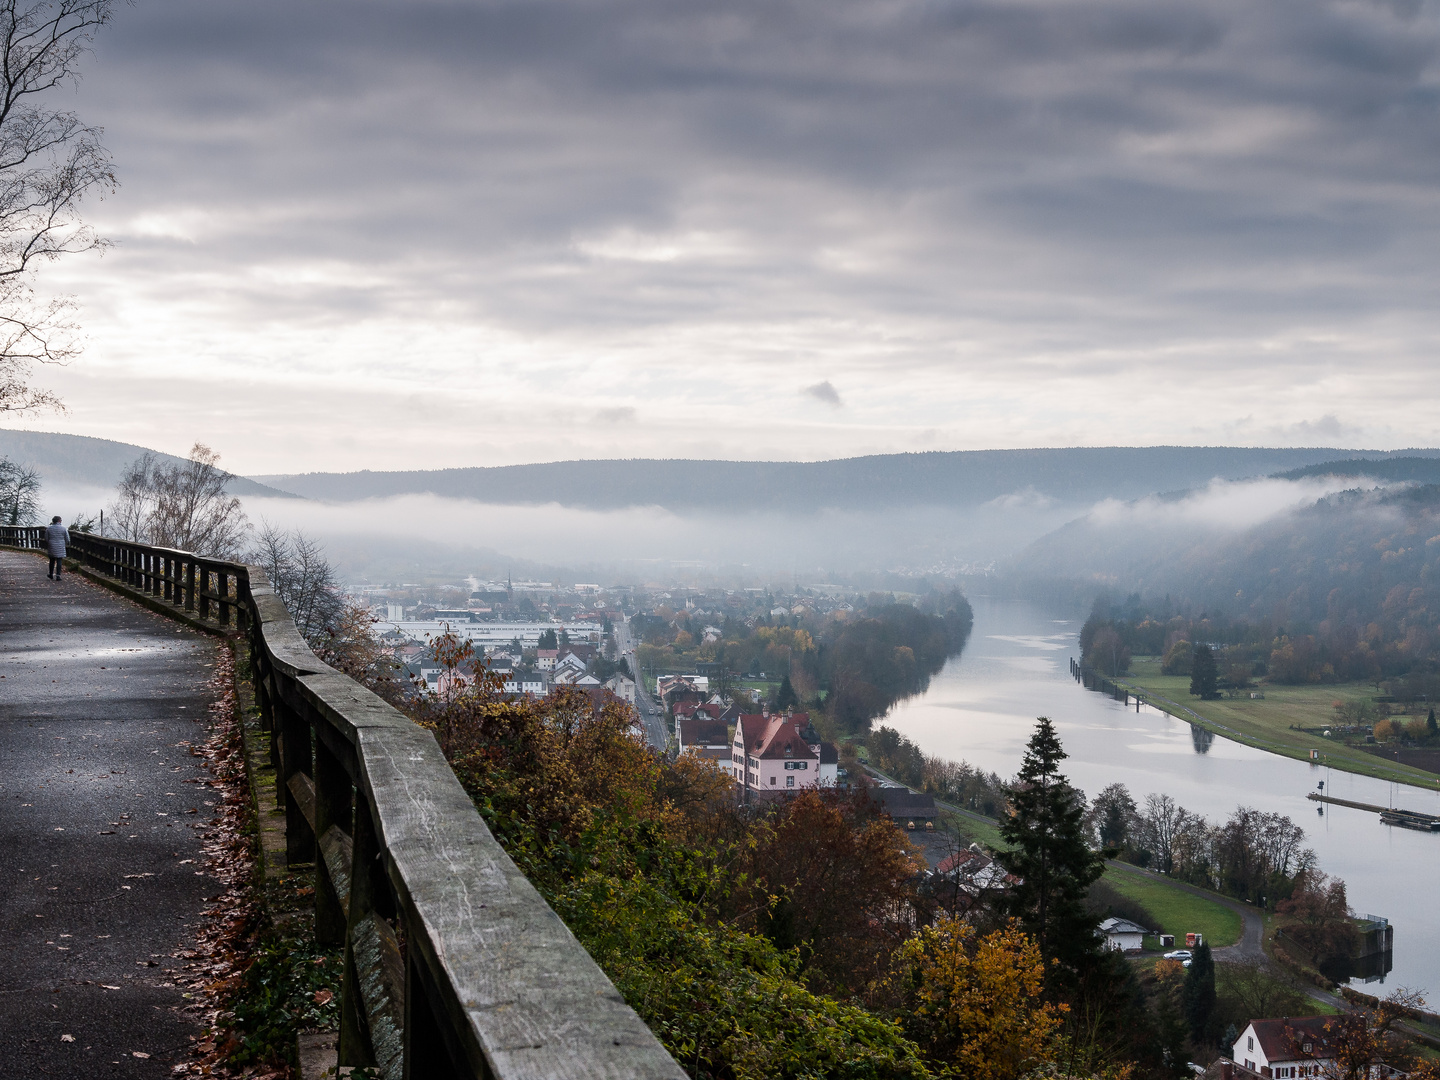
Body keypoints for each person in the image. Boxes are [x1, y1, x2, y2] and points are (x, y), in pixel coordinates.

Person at [45, 515, 69, 580]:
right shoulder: (63, 528)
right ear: (59, 521)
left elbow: (46, 538)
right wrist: (65, 543)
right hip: (61, 545)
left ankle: (51, 574)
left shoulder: (49, 528)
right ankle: (58, 575)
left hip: (51, 545)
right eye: (61, 520)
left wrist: (50, 542)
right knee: (59, 560)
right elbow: (67, 539)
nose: (61, 521)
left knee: (52, 560)